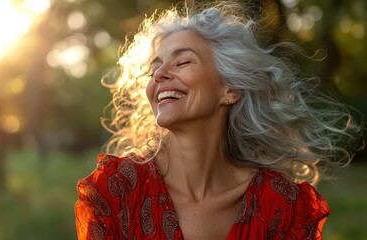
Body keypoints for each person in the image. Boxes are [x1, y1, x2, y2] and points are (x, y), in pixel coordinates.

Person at [74, 1, 363, 239]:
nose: (159, 75)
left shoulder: (283, 207)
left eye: (183, 61)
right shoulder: (117, 192)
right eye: (155, 69)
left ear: (230, 89)